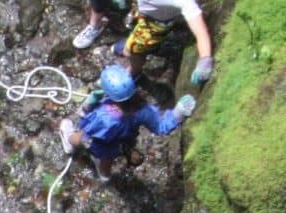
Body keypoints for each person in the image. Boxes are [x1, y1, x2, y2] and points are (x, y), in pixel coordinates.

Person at [59, 63, 197, 169]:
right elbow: (160, 127)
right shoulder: (142, 108)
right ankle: (106, 175)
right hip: (123, 139)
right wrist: (178, 113)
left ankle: (69, 141)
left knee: (83, 139)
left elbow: (87, 132)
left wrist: (86, 108)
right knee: (108, 159)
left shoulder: (103, 117)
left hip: (102, 143)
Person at [72, 0, 215, 89]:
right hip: (148, 10)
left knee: (132, 50)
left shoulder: (184, 2)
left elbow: (201, 33)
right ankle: (98, 25)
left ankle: (133, 72)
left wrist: (205, 60)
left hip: (156, 22)